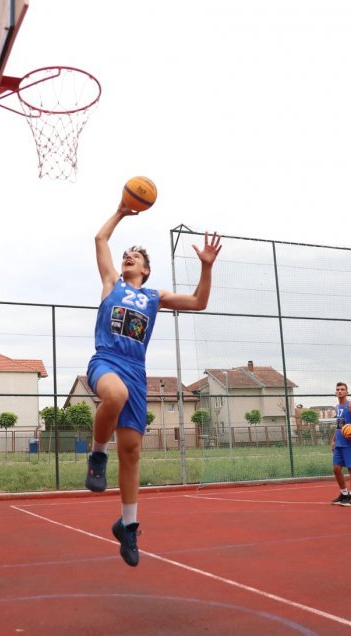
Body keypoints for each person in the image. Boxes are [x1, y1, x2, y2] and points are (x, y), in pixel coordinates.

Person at [85, 201, 221, 566]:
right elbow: (100, 238)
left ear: (145, 270)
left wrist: (206, 267)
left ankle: (127, 527)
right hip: (107, 360)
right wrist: (119, 211)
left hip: (135, 369)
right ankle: (97, 454)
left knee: (131, 452)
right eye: (126, 254)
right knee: (114, 394)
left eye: (135, 257)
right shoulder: (111, 282)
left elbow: (198, 301)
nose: (128, 257)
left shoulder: (153, 297)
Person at [330, 382, 351, 507]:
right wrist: (333, 440)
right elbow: (339, 426)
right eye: (338, 389)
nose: (339, 391)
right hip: (339, 443)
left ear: (346, 392)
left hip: (349, 443)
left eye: (342, 389)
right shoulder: (337, 407)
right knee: (336, 468)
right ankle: (344, 494)